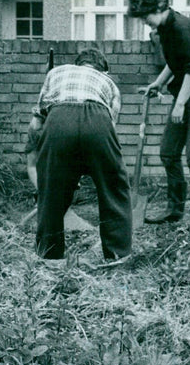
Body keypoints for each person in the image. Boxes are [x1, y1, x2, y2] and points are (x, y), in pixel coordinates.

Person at [126, 0, 190, 223]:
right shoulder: (165, 29)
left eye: (146, 16)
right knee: (169, 152)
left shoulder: (183, 29)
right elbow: (174, 62)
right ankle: (175, 210)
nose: (144, 21)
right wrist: (158, 84)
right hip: (187, 91)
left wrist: (179, 104)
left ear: (160, 7)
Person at [33, 48, 132, 261]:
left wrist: (58, 167)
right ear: (103, 71)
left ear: (78, 64)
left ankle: (49, 258)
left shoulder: (56, 73)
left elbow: (37, 121)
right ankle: (118, 257)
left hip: (58, 120)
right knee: (114, 187)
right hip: (98, 120)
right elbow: (110, 129)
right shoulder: (109, 84)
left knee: (51, 193)